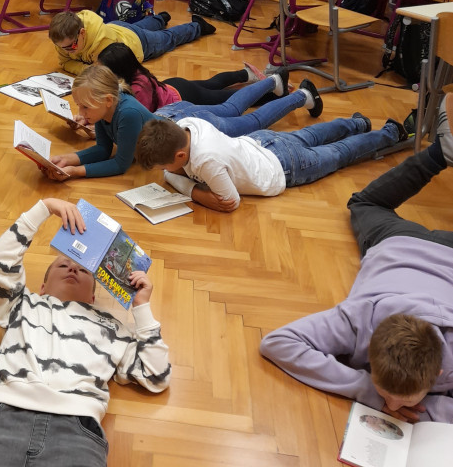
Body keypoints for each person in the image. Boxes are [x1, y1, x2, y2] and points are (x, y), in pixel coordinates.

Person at [259, 95, 453, 423]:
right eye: (385, 394)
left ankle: (440, 153)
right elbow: (276, 343)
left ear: (438, 373)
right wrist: (367, 391)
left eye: (397, 401)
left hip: (401, 244)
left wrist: (426, 411)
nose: (392, 409)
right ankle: (442, 152)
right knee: (364, 204)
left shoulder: (360, 319)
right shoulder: (359, 319)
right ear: (369, 355)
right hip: (400, 244)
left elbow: (279, 343)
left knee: (366, 204)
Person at [0, 196, 170, 466]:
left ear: (93, 297)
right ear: (42, 287)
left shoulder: (114, 328)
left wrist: (142, 307)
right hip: (1, 417)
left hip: (76, 431)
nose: (73, 267)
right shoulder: (22, 304)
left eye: (83, 270)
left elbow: (156, 375)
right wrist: (43, 208)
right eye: (63, 265)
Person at [46, 65, 317, 181]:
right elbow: (103, 149)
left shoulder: (126, 114)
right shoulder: (105, 110)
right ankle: (273, 81)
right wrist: (68, 159)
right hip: (174, 118)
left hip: (189, 129)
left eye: (84, 106)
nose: (80, 112)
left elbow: (120, 164)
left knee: (250, 120)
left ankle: (302, 96)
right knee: (231, 108)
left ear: (107, 100)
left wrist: (75, 172)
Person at [135, 112, 407, 213]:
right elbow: (174, 171)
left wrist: (192, 191)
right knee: (312, 134)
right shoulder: (186, 125)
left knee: (338, 153)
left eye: (163, 167)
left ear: (180, 156)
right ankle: (357, 123)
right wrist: (174, 174)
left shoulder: (206, 161)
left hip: (284, 168)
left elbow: (229, 202)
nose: (164, 173)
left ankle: (391, 133)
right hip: (263, 142)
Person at [97, 42, 316, 115]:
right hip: (174, 86)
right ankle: (248, 74)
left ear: (119, 71)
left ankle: (278, 93)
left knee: (234, 98)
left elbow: (138, 118)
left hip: (183, 97)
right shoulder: (134, 74)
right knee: (213, 84)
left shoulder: (138, 90)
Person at [48, 9, 215, 76]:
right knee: (141, 26)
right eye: (62, 48)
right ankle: (160, 18)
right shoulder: (64, 38)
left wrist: (86, 69)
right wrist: (86, 68)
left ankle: (198, 26)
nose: (67, 51)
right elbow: (65, 62)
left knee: (168, 38)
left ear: (82, 33)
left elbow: (105, 72)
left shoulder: (104, 43)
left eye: (71, 46)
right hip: (118, 28)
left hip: (137, 43)